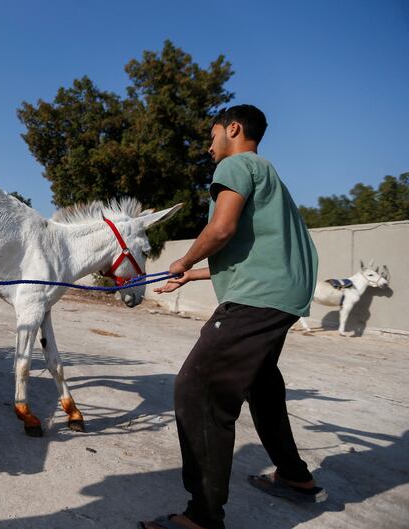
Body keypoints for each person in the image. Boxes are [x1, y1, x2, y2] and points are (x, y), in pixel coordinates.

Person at [141, 105, 324, 529]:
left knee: (199, 391)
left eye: (212, 135)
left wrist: (183, 258)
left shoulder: (238, 165)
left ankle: (202, 517)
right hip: (280, 296)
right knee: (261, 386)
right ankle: (295, 477)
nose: (209, 146)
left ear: (234, 129)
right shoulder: (269, 177)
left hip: (256, 302)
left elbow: (221, 230)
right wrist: (193, 274)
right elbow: (247, 252)